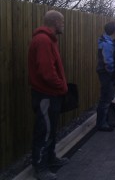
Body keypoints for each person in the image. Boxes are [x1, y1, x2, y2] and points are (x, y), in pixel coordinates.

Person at [28, 10, 69, 180]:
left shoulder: (49, 40)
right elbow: (46, 72)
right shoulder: (43, 40)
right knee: (44, 131)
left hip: (51, 94)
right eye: (62, 22)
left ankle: (50, 159)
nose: (63, 25)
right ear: (55, 23)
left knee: (51, 129)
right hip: (46, 94)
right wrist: (62, 87)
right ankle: (40, 167)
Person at [96, 21, 115, 132]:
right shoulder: (107, 43)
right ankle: (102, 123)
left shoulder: (103, 40)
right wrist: (113, 72)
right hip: (106, 73)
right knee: (106, 98)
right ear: (114, 30)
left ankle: (103, 121)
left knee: (106, 96)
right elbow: (108, 61)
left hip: (103, 72)